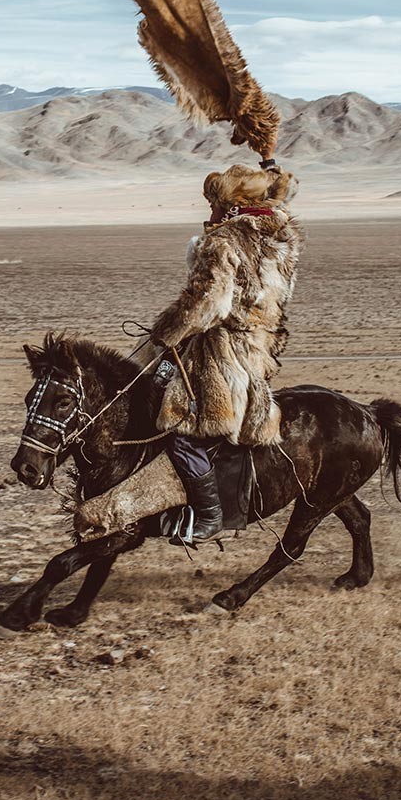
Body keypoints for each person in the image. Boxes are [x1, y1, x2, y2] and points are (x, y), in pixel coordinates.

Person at [135, 161, 303, 542]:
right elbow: (280, 202)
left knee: (179, 423)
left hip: (223, 351)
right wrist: (273, 175)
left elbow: (209, 303)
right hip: (260, 346)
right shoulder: (280, 236)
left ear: (230, 207)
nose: (209, 212)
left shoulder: (224, 242)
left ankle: (208, 515)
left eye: (214, 204)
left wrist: (167, 332)